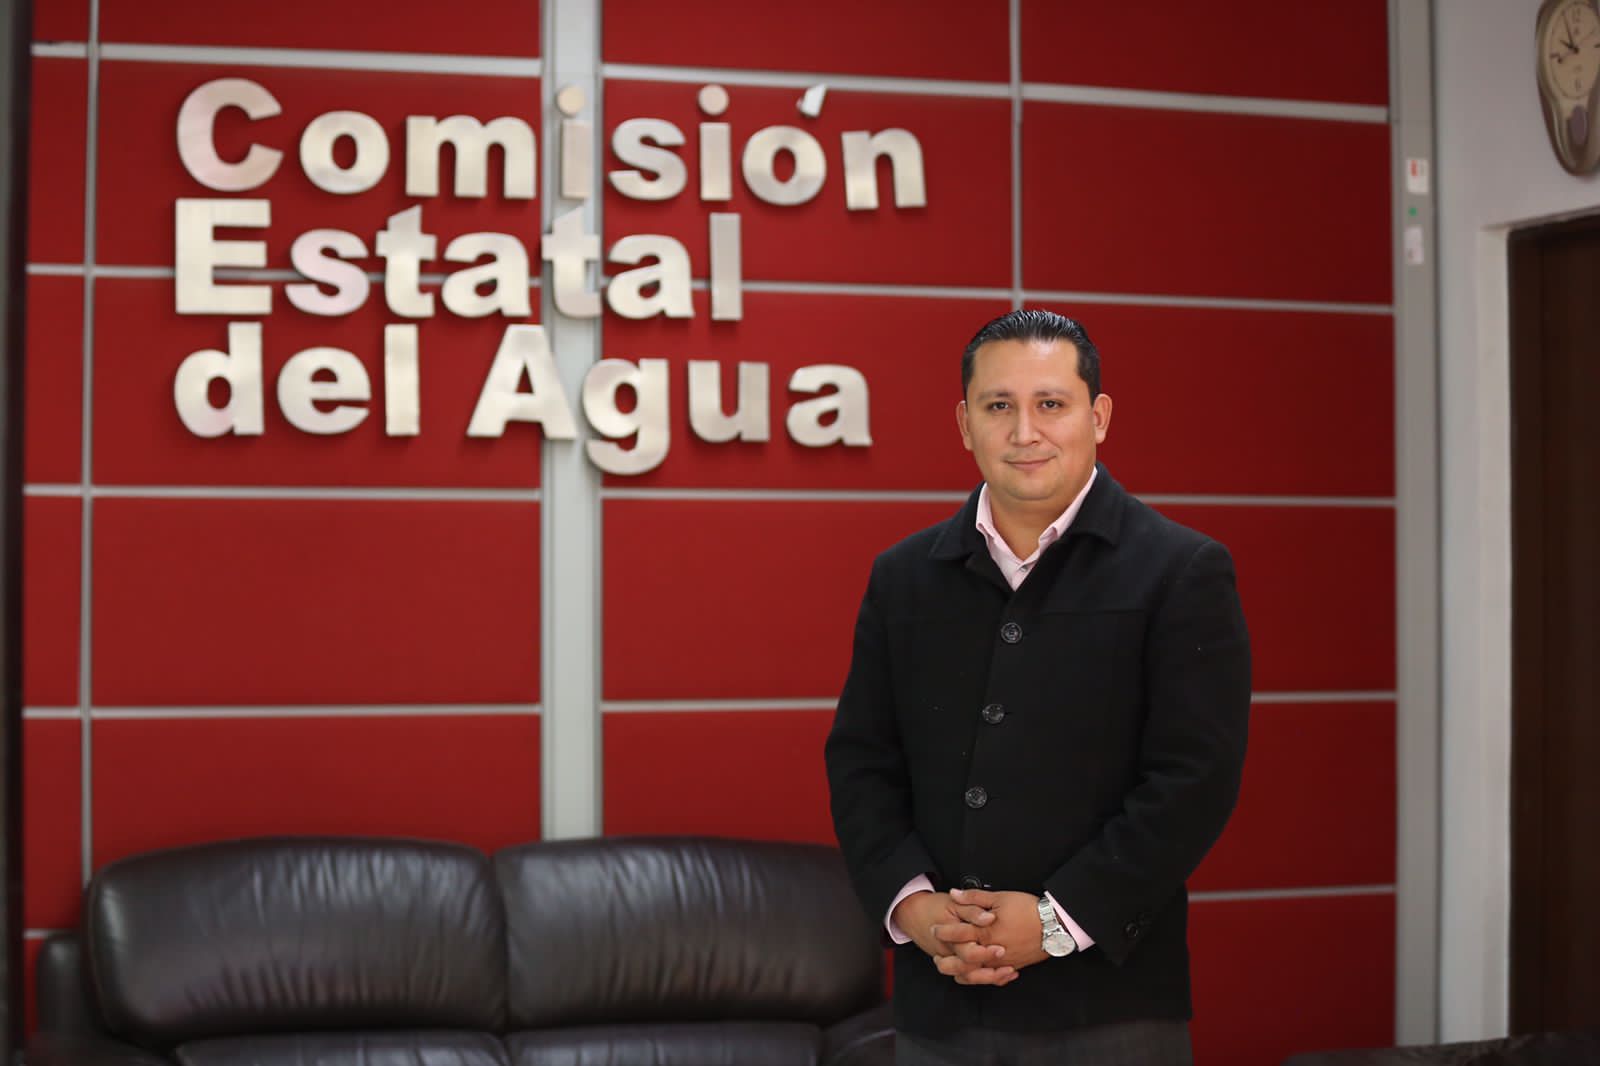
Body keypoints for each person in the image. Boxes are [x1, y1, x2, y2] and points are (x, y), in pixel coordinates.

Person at [824, 309, 1251, 1065]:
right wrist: (914, 907)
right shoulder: (903, 578)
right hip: (940, 1004)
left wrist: (1057, 923)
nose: (1025, 431)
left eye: (1050, 403)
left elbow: (1193, 781)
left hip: (1111, 1011)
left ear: (1099, 416)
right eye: (999, 406)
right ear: (965, 423)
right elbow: (862, 760)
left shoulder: (1181, 571)